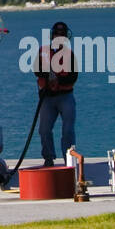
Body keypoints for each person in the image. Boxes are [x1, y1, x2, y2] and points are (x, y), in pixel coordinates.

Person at [35, 21, 77, 166]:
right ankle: (48, 158)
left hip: (65, 97)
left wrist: (58, 79)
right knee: (44, 130)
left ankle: (69, 160)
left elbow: (73, 77)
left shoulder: (70, 55)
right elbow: (36, 70)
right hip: (47, 98)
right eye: (57, 35)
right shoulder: (42, 51)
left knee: (68, 130)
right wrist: (49, 75)